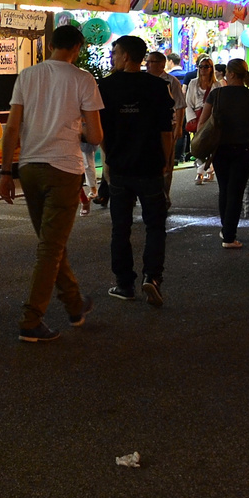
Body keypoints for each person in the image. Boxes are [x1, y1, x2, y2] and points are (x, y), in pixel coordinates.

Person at [0, 24, 103, 343]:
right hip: (64, 168)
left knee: (51, 243)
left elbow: (12, 126)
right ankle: (32, 319)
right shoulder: (83, 79)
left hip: (29, 166)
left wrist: (5, 172)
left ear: (51, 45)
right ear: (78, 47)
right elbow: (96, 136)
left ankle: (74, 304)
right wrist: (79, 129)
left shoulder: (27, 76)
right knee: (50, 247)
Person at [101, 35, 173, 306]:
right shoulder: (157, 87)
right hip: (150, 165)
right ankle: (152, 277)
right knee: (155, 225)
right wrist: (165, 160)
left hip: (120, 167)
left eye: (115, 52)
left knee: (121, 227)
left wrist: (109, 158)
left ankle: (124, 284)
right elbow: (166, 130)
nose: (113, 57)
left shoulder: (106, 87)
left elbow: (102, 131)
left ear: (126, 56)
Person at [197, 59, 249, 248]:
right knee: (236, 191)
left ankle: (227, 229)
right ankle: (229, 235)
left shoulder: (217, 94)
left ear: (231, 74)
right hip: (244, 147)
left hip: (220, 147)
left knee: (225, 189)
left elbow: (203, 122)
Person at [145, 51, 186, 203]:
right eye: (147, 61)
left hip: (168, 125)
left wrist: (179, 127)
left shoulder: (171, 81)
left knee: (167, 161)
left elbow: (180, 105)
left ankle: (164, 194)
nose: (148, 65)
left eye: (152, 62)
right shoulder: (144, 80)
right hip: (148, 127)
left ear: (162, 64)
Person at [184, 58, 216, 183]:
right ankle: (205, 169)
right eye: (201, 66)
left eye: (206, 66)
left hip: (212, 117)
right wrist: (191, 119)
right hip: (197, 116)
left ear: (211, 68)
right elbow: (188, 102)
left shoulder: (217, 84)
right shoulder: (193, 83)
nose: (203, 69)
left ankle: (203, 171)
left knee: (210, 144)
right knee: (199, 145)